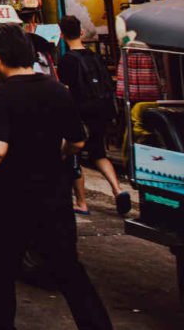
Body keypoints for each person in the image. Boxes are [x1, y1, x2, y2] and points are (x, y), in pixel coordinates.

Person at [0, 25, 112, 330]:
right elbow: (77, 142)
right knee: (69, 270)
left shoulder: (1, 96)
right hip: (54, 196)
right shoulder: (57, 90)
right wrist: (55, 154)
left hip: (12, 198)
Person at [57, 16, 130, 217]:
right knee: (99, 153)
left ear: (62, 35)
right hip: (101, 112)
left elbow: (65, 91)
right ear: (81, 32)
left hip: (80, 114)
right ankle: (118, 189)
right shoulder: (94, 56)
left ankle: (81, 202)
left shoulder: (66, 61)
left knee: (73, 156)